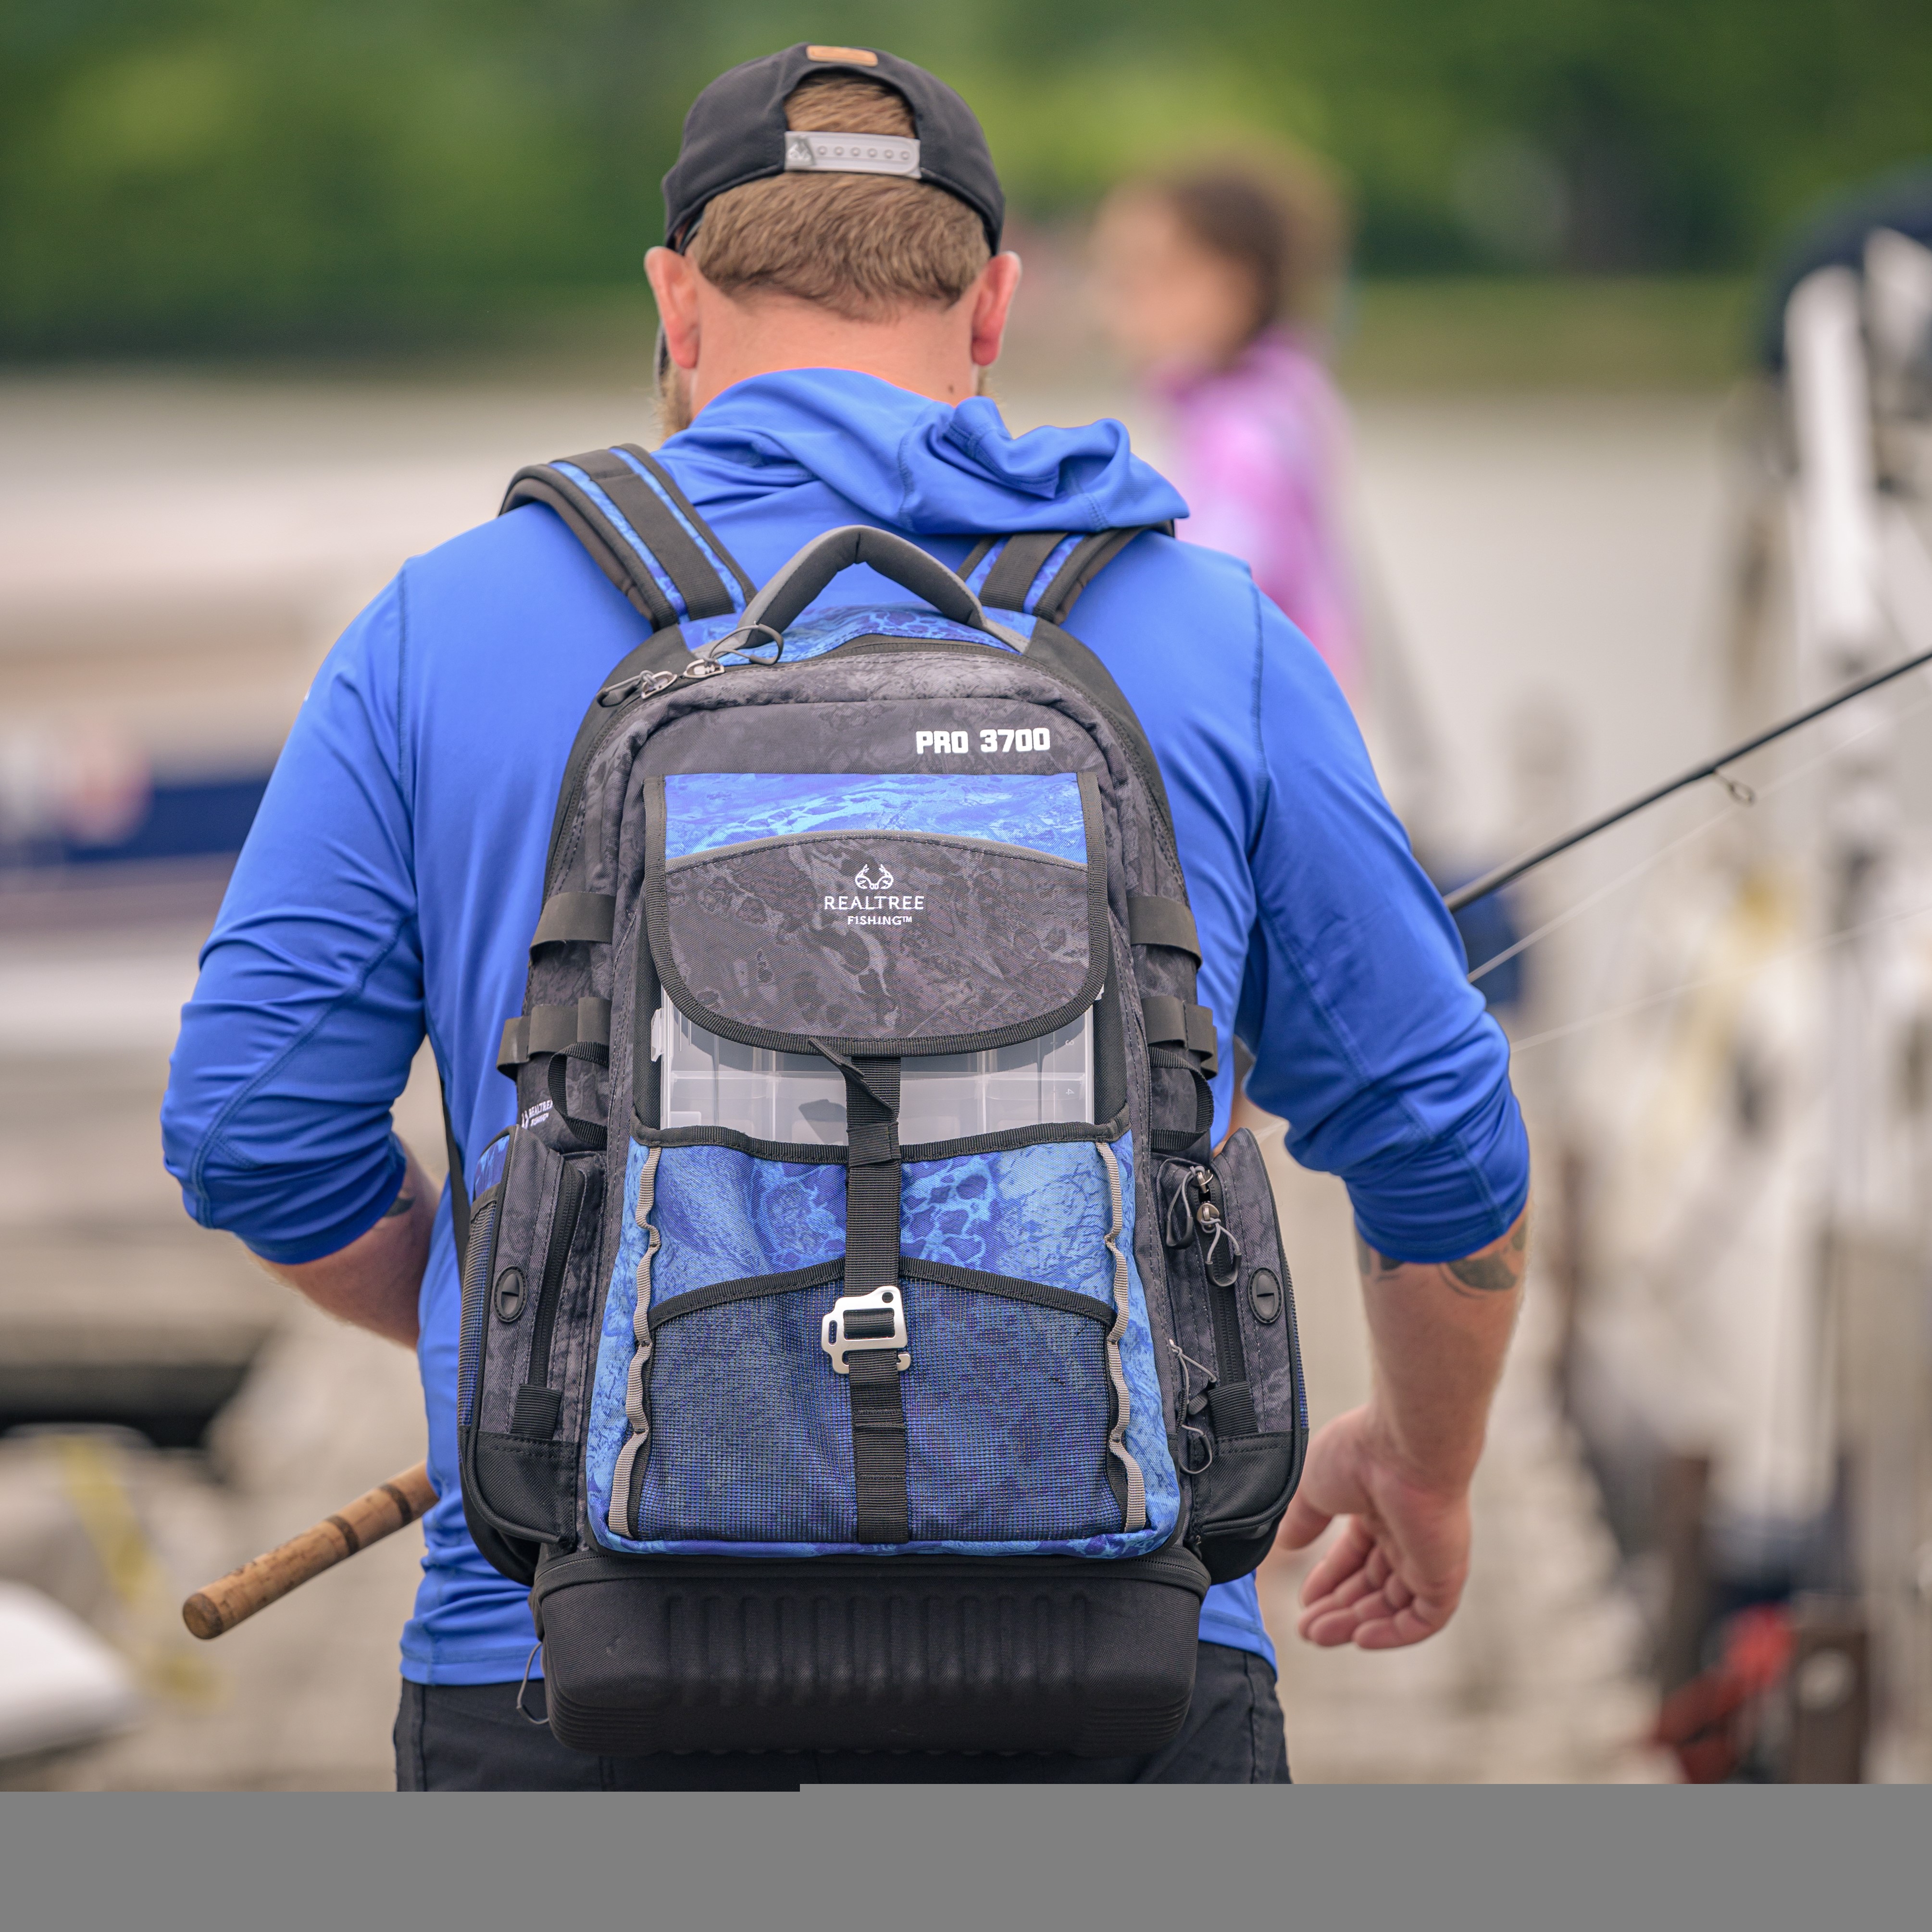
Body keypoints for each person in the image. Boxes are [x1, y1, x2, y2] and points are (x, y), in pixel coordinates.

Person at [161, 45, 1530, 1789]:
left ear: (673, 302)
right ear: (993, 310)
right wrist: (1421, 1466)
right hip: (1120, 1664)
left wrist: (532, 1304)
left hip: (559, 1655)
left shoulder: (441, 625)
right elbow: (1444, 1147)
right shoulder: (1202, 629)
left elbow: (251, 1127)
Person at [1090, 154, 1361, 706]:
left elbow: (1202, 608)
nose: (1118, 303)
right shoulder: (1282, 400)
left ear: (1234, 287)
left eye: (1150, 276)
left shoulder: (1243, 436)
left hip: (1259, 739)